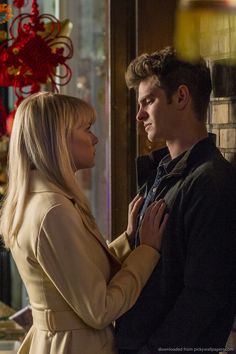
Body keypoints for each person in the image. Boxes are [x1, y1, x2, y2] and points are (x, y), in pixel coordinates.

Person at [0, 92, 168, 354]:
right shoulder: (54, 210)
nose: (95, 138)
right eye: (87, 128)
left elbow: (79, 275)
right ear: (58, 139)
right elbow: (99, 309)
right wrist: (147, 251)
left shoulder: (42, 201)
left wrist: (128, 239)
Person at [116, 47, 236, 353]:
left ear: (181, 97)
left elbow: (205, 295)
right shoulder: (161, 174)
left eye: (148, 101)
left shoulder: (212, 182)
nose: (140, 114)